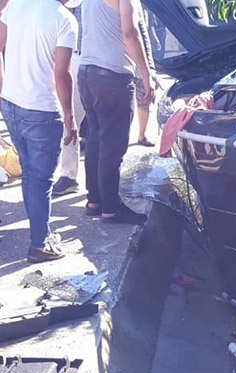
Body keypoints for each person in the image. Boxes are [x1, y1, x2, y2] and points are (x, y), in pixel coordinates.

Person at [0, 0, 78, 262]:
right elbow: (62, 75)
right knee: (40, 179)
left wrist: (4, 87)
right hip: (41, 111)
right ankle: (39, 244)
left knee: (31, 175)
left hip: (11, 105)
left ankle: (41, 234)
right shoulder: (65, 19)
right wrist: (70, 117)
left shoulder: (16, 5)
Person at [79, 0, 155, 224]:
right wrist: (146, 73)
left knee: (94, 140)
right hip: (112, 76)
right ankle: (111, 208)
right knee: (113, 146)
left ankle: (94, 201)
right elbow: (129, 33)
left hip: (86, 74)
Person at [52, 3, 86, 196]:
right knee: (69, 118)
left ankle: (103, 187)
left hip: (91, 58)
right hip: (69, 56)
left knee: (75, 118)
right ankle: (68, 175)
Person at [133, 7, 159, 148]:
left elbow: (144, 34)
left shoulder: (139, 5)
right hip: (119, 58)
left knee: (145, 95)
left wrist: (150, 68)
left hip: (137, 56)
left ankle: (141, 135)